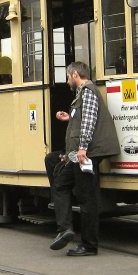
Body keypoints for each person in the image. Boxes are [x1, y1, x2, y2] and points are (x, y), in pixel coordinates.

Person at [45, 61, 119, 256]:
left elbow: (89, 121)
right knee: (60, 182)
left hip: (87, 153)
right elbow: (83, 118)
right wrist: (68, 118)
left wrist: (83, 148)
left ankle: (89, 245)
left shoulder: (88, 92)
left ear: (75, 75)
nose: (67, 81)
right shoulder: (82, 94)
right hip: (81, 153)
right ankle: (65, 229)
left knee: (88, 199)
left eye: (68, 77)